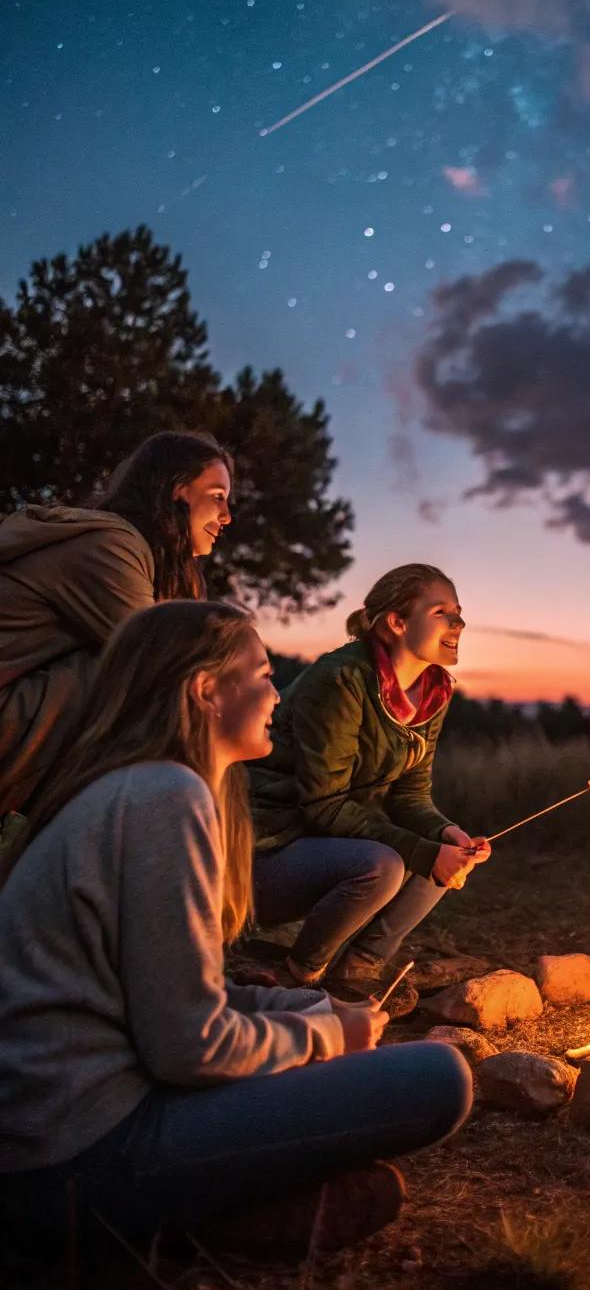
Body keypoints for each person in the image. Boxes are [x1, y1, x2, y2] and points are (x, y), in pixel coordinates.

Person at [0, 600, 471, 1281]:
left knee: (323, 1034)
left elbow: (182, 993)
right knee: (440, 1079)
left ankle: (219, 1214)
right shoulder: (166, 796)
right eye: (262, 673)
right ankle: (167, 1221)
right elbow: (190, 1046)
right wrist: (326, 1039)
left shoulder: (134, 786)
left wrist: (312, 1011)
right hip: (76, 1151)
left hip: (61, 1126)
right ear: (205, 690)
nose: (277, 693)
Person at [248, 564, 491, 1013]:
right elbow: (323, 805)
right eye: (441, 612)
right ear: (397, 622)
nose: (459, 623)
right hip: (264, 850)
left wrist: (447, 834)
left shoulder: (433, 692)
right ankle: (299, 976)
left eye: (458, 612)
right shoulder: (342, 679)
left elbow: (410, 796)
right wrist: (424, 852)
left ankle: (357, 971)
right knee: (385, 865)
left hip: (323, 842)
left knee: (444, 853)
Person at [0, 430, 233, 840]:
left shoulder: (151, 560)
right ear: (178, 489)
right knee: (130, 677)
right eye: (217, 496)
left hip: (21, 713)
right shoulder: (110, 545)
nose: (227, 516)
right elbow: (167, 664)